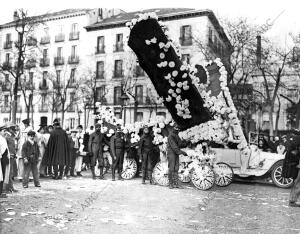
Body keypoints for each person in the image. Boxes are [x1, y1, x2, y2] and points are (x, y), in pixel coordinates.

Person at [167, 124, 187, 189]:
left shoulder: (176, 135)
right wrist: (181, 152)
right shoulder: (170, 136)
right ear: (173, 128)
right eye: (176, 128)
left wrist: (187, 142)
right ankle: (170, 183)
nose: (177, 129)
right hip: (171, 153)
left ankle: (176, 183)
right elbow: (174, 146)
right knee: (171, 168)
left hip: (176, 153)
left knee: (176, 168)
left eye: (178, 128)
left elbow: (180, 144)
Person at [282, 132, 300, 207]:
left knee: (297, 183)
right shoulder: (297, 141)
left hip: (296, 165)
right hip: (298, 165)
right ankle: (292, 201)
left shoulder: (295, 141)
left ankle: (292, 200)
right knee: (298, 183)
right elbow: (294, 153)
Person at [3, 123, 18, 193]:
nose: (14, 131)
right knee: (8, 172)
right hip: (8, 156)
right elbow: (5, 147)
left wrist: (14, 154)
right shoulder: (6, 136)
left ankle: (11, 187)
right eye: (13, 129)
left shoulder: (11, 136)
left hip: (12, 156)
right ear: (10, 129)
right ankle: (7, 188)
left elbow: (13, 146)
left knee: (11, 172)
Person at [0, 124, 10, 198]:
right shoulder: (1, 139)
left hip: (5, 158)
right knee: (2, 175)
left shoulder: (3, 138)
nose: (4, 132)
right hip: (2, 158)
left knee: (4, 174)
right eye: (3, 131)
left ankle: (2, 191)